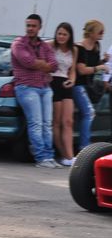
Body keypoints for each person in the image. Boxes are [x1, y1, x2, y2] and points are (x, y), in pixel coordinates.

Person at [10, 13, 59, 168]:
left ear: (40, 27)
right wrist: (44, 65)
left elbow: (55, 65)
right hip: (27, 88)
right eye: (28, 25)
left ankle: (49, 157)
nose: (30, 28)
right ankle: (41, 158)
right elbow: (28, 62)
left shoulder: (45, 46)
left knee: (47, 124)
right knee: (36, 124)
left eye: (33, 26)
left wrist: (41, 64)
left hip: (45, 88)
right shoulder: (18, 43)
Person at [72, 19, 110, 152]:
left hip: (88, 85)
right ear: (92, 32)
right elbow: (81, 70)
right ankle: (84, 147)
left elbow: (93, 64)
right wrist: (100, 67)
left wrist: (103, 61)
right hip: (78, 85)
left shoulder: (96, 45)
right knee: (89, 112)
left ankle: (83, 143)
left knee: (85, 113)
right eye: (100, 31)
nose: (102, 34)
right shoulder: (80, 47)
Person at [49, 22, 77, 166]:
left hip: (66, 84)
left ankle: (70, 156)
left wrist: (72, 81)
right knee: (57, 122)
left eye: (65, 34)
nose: (61, 36)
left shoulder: (74, 49)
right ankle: (63, 155)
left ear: (70, 36)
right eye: (59, 33)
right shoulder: (50, 45)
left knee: (68, 121)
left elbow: (72, 71)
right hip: (53, 82)